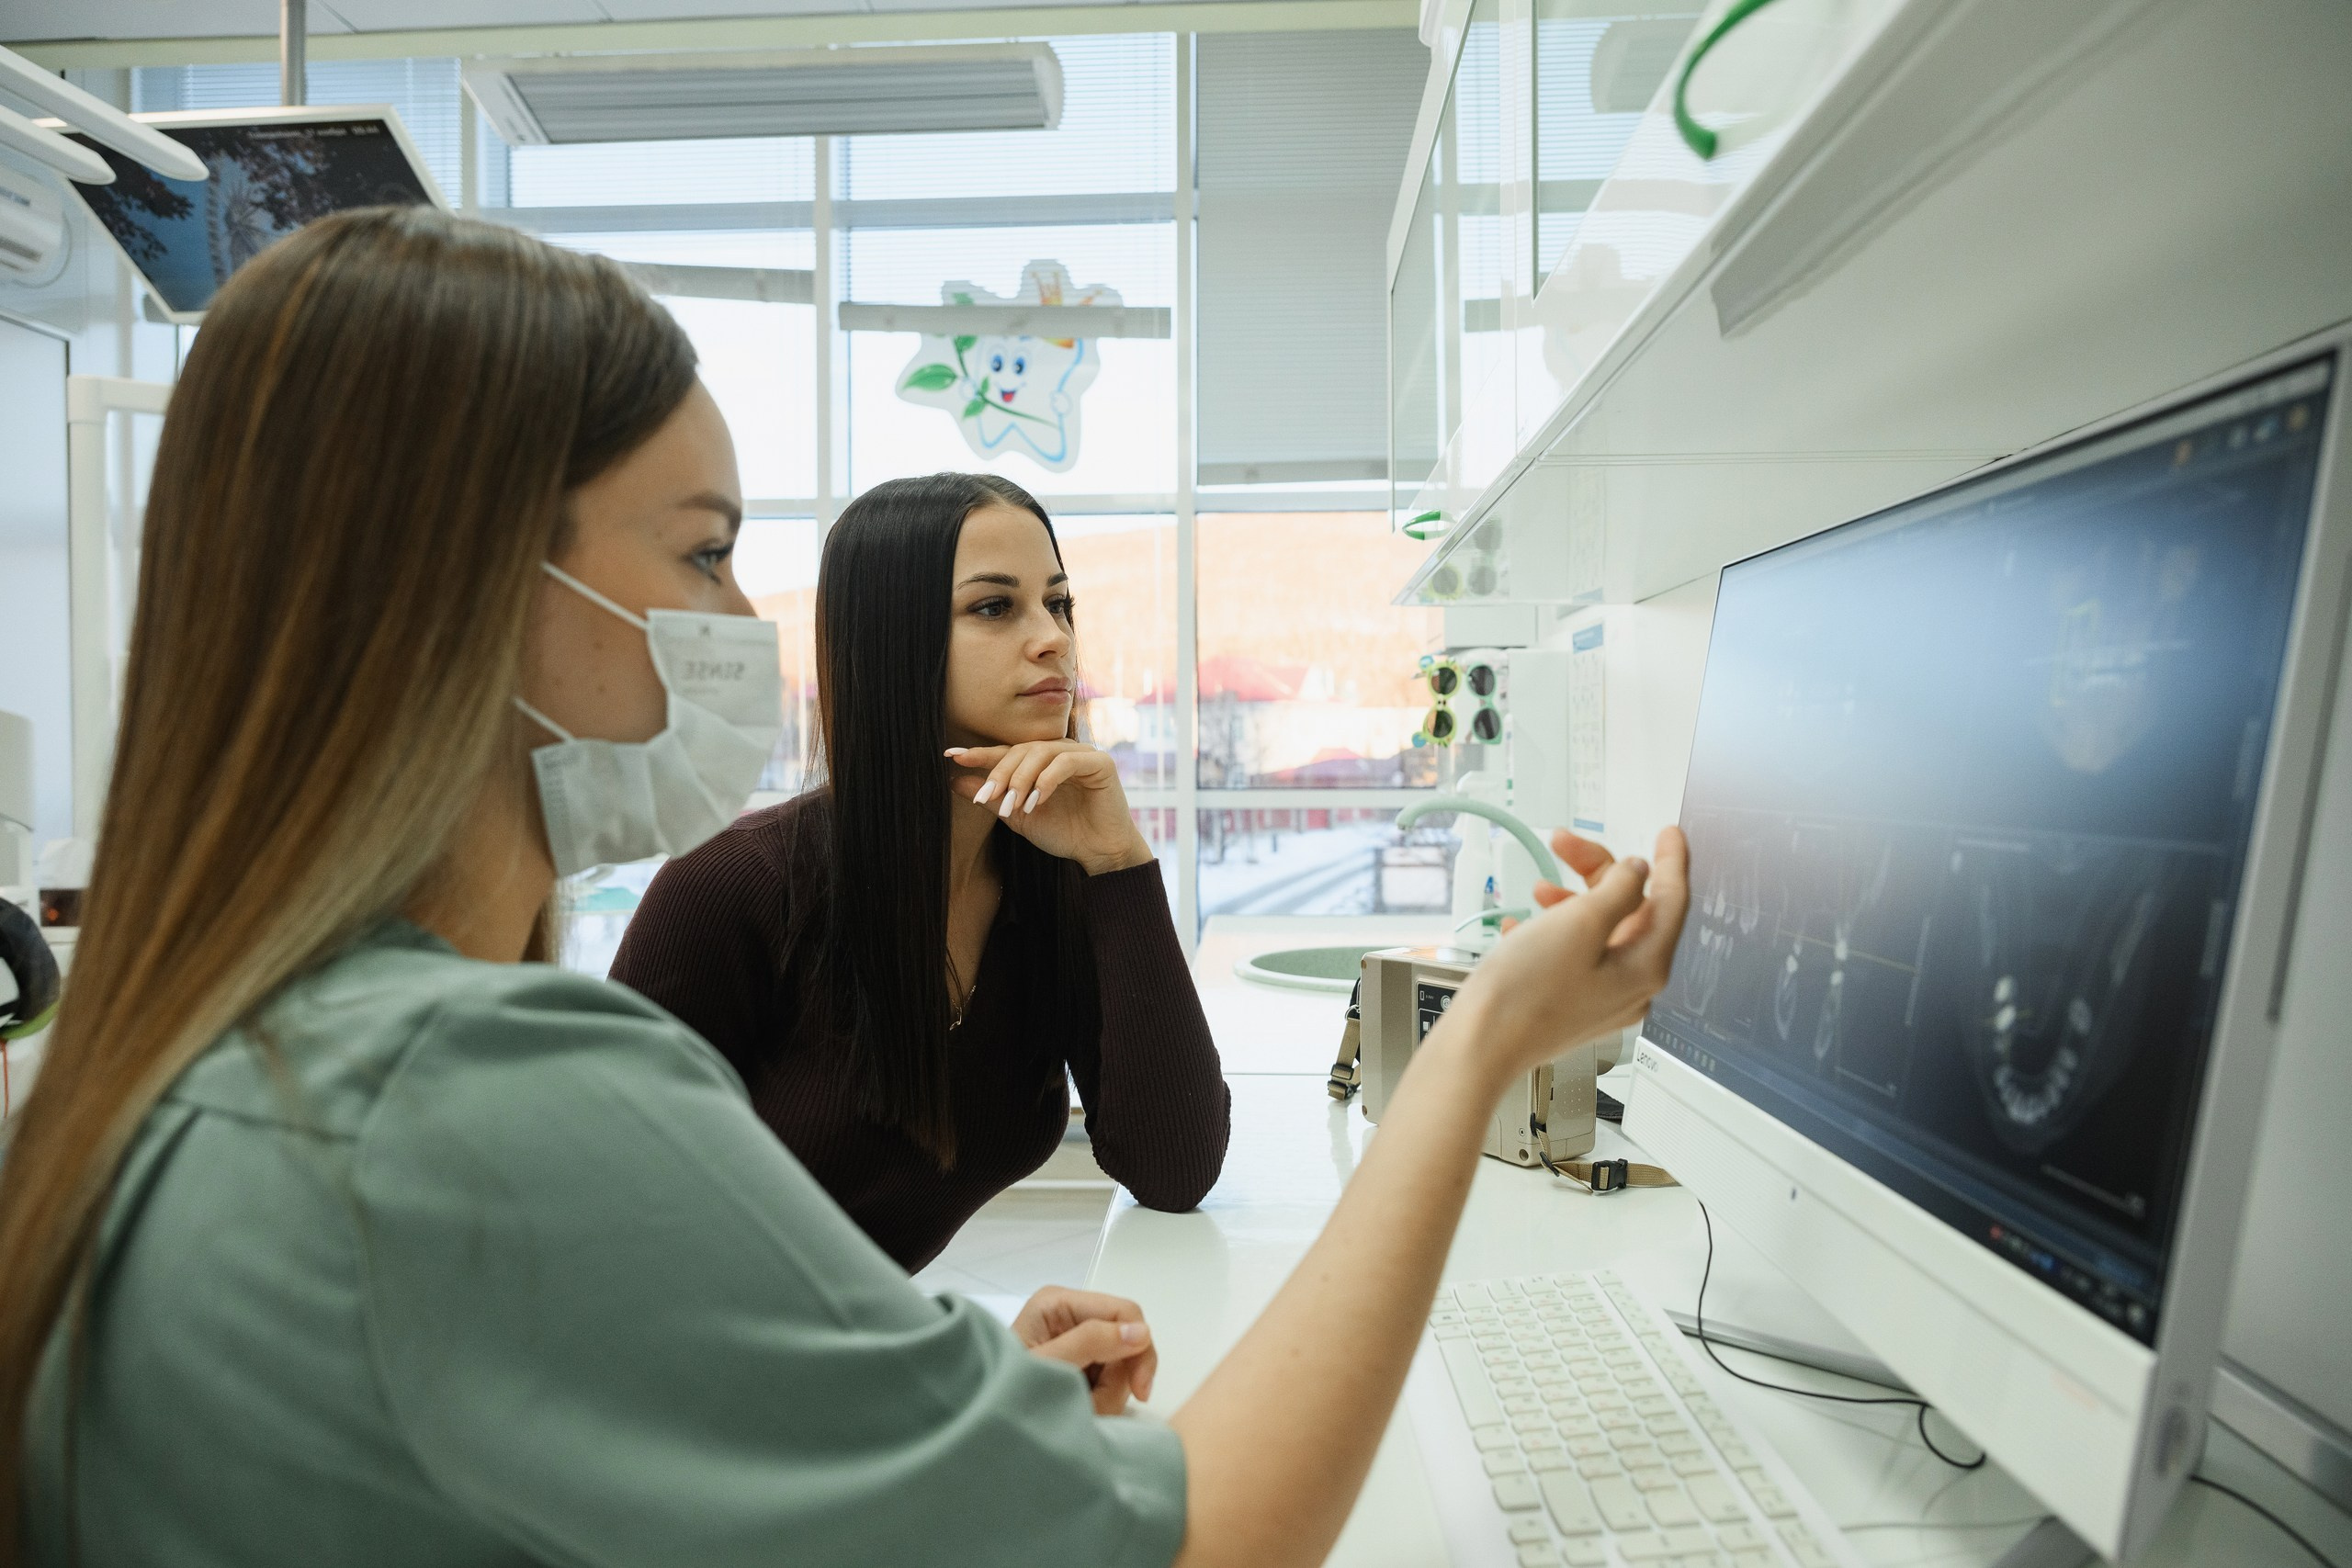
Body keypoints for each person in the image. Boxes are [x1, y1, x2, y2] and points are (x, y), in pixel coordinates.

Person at [0, 205, 1689, 1567]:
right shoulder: (481, 1092)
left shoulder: (218, 1061)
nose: (739, 625)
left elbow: (623, 1352)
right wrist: (1483, 1045)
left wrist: (882, 1403)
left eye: (1061, 603)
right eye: (702, 550)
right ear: (471, 574)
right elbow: (1212, 1539)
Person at [609, 470, 1227, 1272]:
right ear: (891, 639)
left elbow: (1173, 1169)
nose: (1054, 638)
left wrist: (1120, 864)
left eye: (1060, 602)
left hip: (862, 1356)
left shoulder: (1051, 879)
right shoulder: (733, 888)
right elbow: (605, 1222)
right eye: (995, 607)